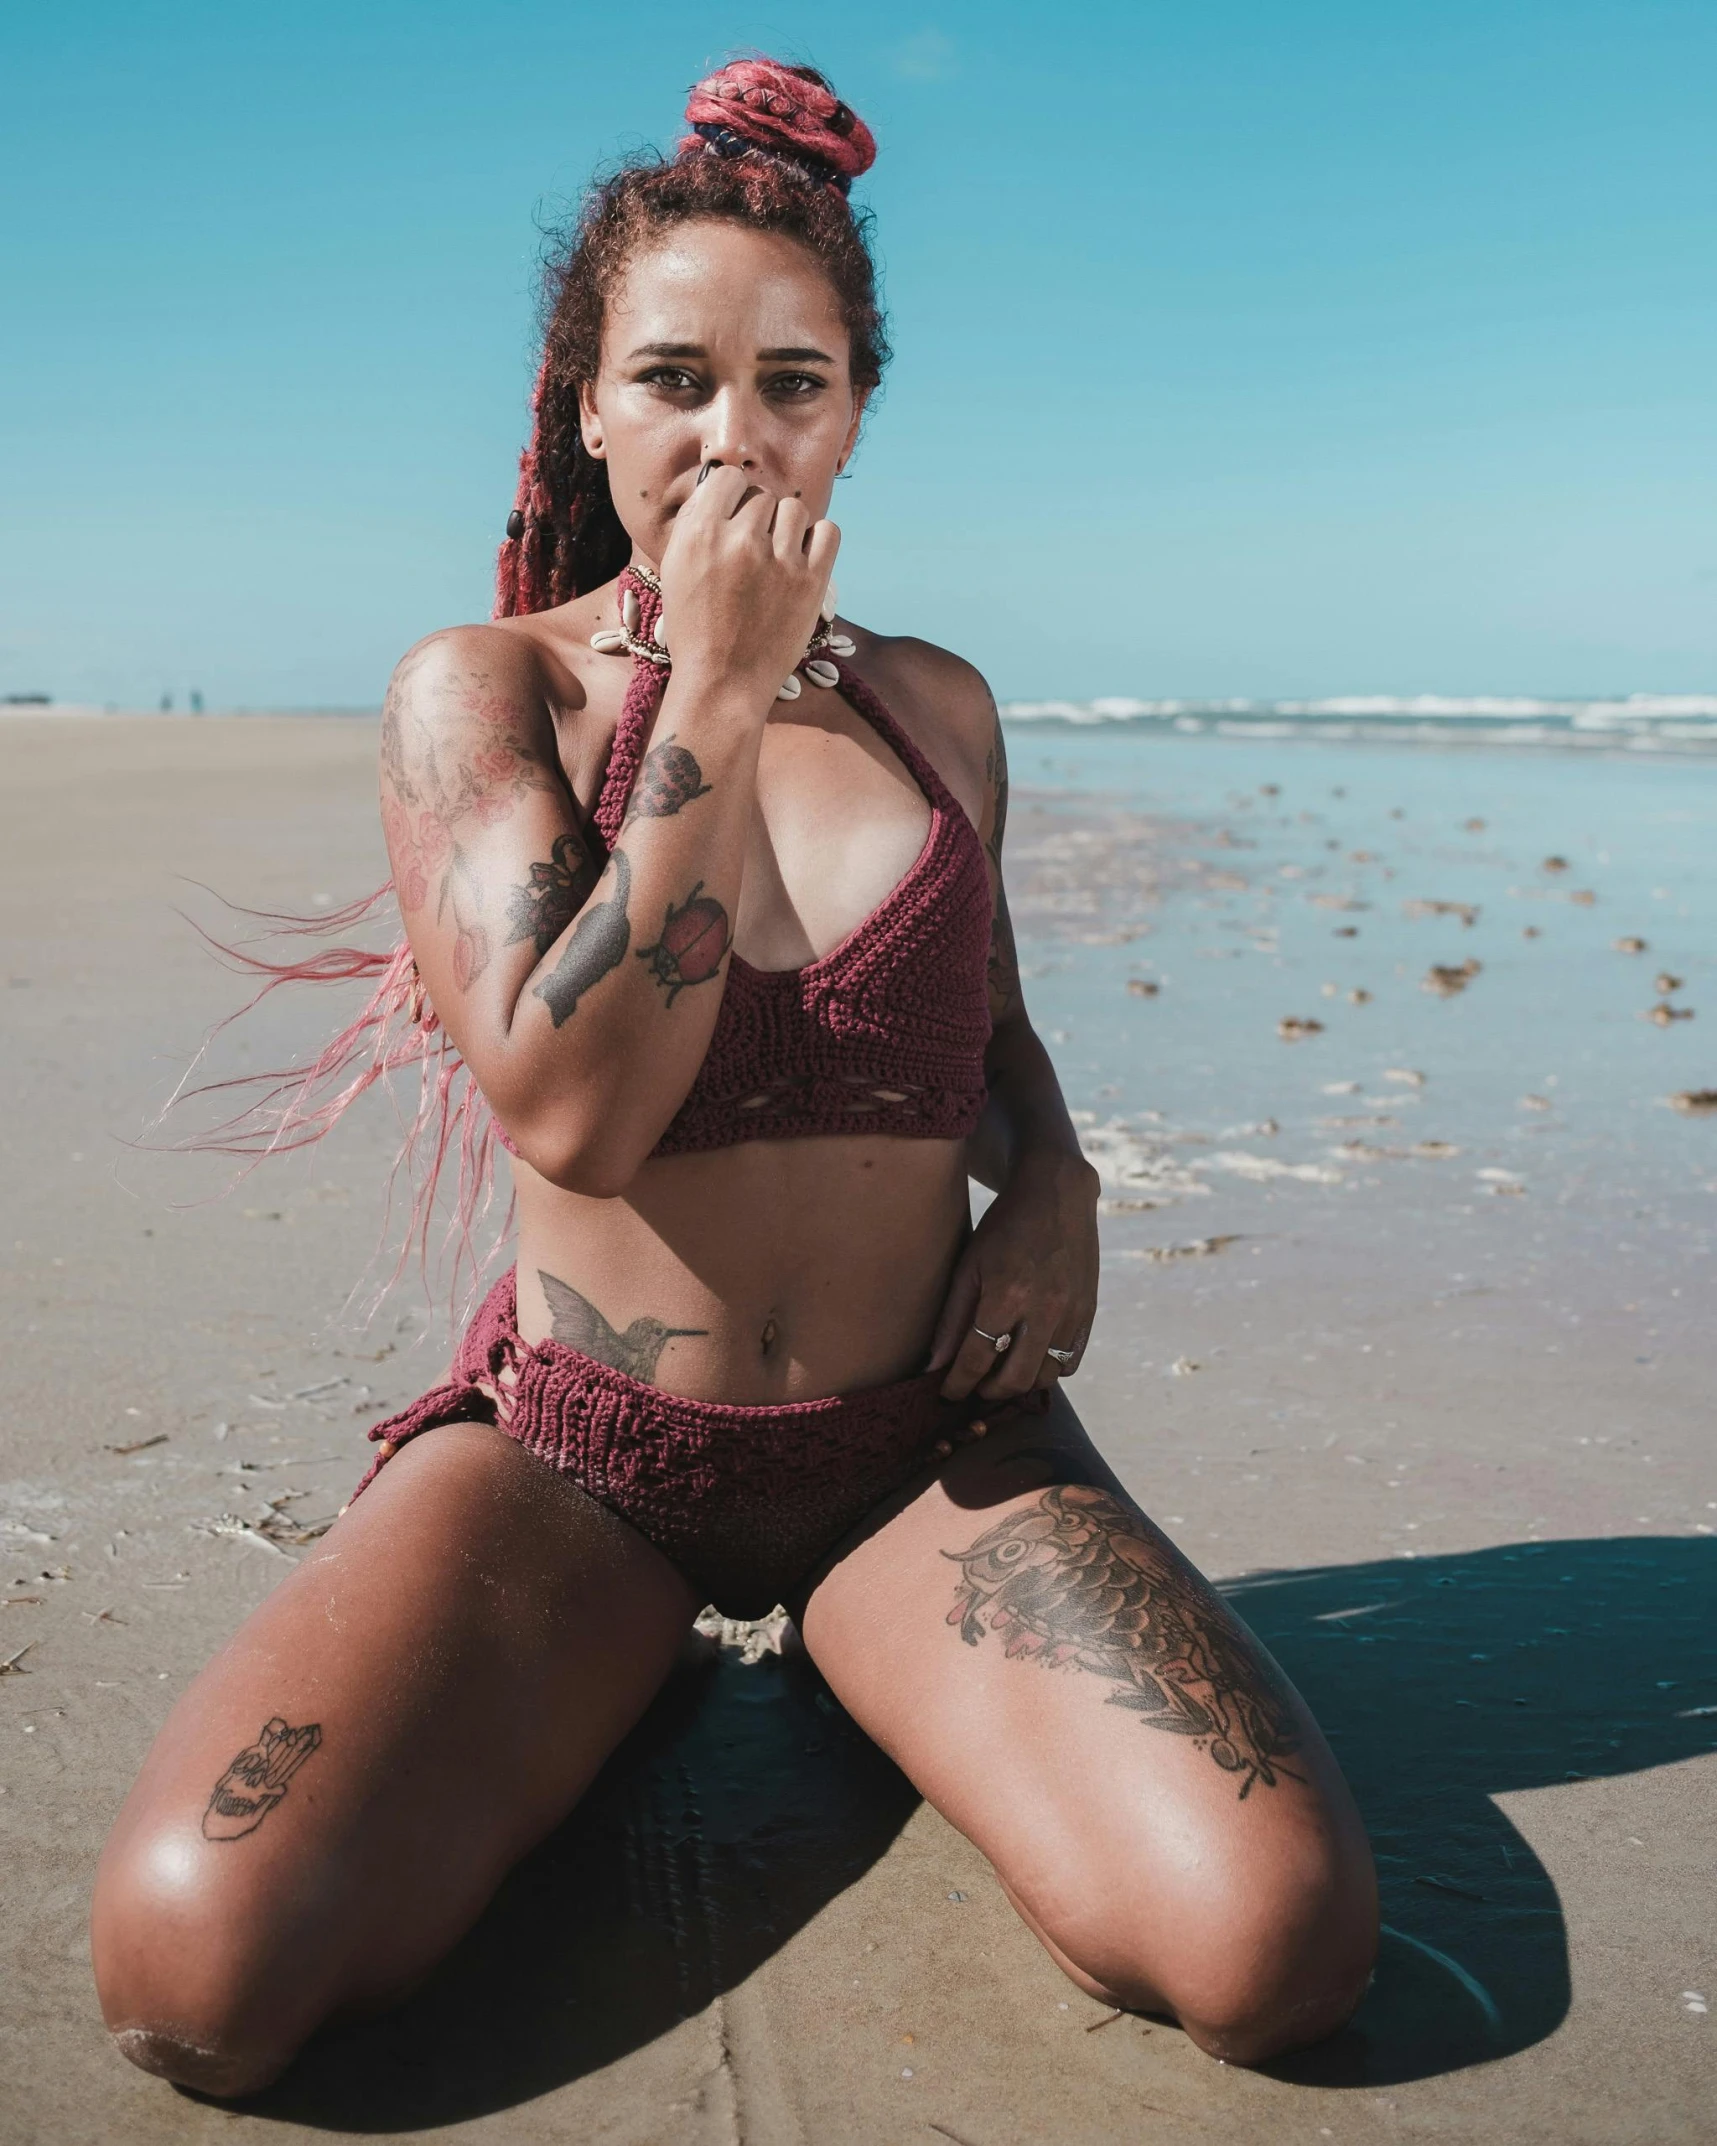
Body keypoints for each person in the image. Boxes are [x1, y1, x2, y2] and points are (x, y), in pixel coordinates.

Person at [91, 59, 1377, 2096]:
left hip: (912, 1457)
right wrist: (713, 683)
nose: (731, 432)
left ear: (856, 405)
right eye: (674, 377)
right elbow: (573, 1105)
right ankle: (630, 1673)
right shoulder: (487, 692)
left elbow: (990, 1028)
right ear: (587, 401)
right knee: (199, 1969)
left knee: (1274, 1948)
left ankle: (880, 1667)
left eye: (793, 380)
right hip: (588, 1468)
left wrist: (1059, 1173)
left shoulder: (943, 706)